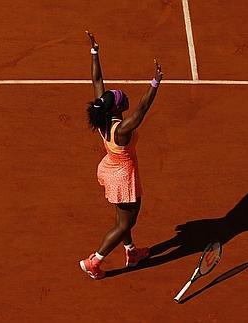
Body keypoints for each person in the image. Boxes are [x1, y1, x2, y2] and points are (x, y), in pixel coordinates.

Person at [79, 31, 163, 280]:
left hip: (111, 168)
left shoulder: (105, 118)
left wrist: (95, 52)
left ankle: (131, 252)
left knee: (122, 216)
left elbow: (97, 80)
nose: (124, 95)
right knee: (126, 222)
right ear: (117, 107)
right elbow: (143, 109)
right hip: (123, 176)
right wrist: (155, 83)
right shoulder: (123, 129)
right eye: (121, 97)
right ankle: (94, 260)